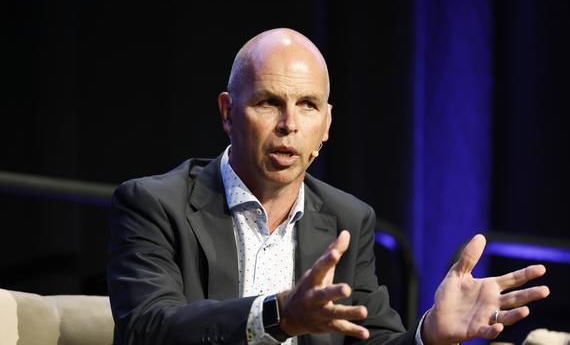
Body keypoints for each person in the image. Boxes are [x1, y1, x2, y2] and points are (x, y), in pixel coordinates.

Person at [107, 28, 549, 345]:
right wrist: (277, 315)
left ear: (327, 124)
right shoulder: (155, 204)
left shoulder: (347, 219)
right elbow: (147, 329)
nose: (289, 125)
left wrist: (427, 334)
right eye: (269, 103)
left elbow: (370, 339)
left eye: (307, 105)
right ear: (228, 112)